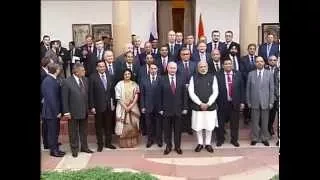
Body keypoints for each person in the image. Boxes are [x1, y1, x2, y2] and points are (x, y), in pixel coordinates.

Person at [61, 63, 94, 157]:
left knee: (84, 131)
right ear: (76, 71)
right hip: (73, 112)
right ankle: (74, 149)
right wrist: (66, 112)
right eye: (82, 70)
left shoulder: (85, 80)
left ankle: (84, 147)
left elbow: (87, 95)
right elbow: (64, 98)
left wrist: (90, 107)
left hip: (84, 111)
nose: (84, 71)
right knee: (73, 132)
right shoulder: (67, 82)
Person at [188, 61, 218, 153]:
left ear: (207, 67)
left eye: (204, 66)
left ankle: (208, 144)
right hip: (198, 107)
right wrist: (199, 103)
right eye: (201, 67)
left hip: (210, 106)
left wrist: (208, 103)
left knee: (209, 126)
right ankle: (200, 143)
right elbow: (191, 91)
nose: (203, 68)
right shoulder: (193, 77)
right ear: (198, 68)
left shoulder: (213, 77)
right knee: (199, 126)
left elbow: (215, 91)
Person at [159, 62, 188, 155]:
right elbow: (158, 95)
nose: (172, 70)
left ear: (176, 69)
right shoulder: (161, 79)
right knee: (167, 130)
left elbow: (185, 95)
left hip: (178, 109)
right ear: (167, 68)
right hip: (166, 109)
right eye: (171, 68)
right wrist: (160, 108)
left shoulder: (181, 78)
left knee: (178, 130)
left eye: (174, 68)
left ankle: (177, 146)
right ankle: (168, 146)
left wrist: (185, 107)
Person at [89, 60, 117, 152]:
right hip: (98, 106)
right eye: (100, 66)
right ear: (97, 67)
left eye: (103, 66)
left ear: (105, 67)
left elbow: (112, 91)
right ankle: (100, 144)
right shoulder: (92, 77)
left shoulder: (110, 76)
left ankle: (108, 143)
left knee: (108, 126)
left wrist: (113, 103)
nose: (102, 68)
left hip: (109, 106)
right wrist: (92, 106)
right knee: (99, 127)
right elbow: (91, 93)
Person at [216, 59, 245, 147]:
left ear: (232, 65)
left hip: (235, 103)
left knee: (235, 123)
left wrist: (242, 102)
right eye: (226, 64)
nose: (228, 65)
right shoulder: (217, 75)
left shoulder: (238, 74)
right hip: (221, 103)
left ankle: (234, 140)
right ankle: (220, 139)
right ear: (222, 66)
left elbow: (242, 88)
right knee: (220, 123)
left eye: (229, 64)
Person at [246, 57, 274, 146]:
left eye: (261, 61)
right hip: (254, 102)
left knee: (265, 122)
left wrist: (271, 101)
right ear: (255, 63)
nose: (259, 63)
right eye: (257, 61)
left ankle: (264, 138)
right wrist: (248, 101)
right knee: (254, 121)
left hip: (266, 102)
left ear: (264, 63)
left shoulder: (269, 74)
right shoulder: (251, 74)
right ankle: (255, 138)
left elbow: (271, 89)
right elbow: (248, 89)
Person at [41, 63, 65, 157]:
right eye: (59, 69)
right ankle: (54, 151)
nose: (60, 70)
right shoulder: (49, 81)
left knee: (54, 131)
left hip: (52, 111)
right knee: (52, 131)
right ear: (56, 70)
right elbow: (51, 99)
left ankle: (54, 146)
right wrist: (57, 112)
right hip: (51, 112)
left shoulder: (51, 79)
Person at [114, 69, 141, 148]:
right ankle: (123, 144)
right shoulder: (119, 84)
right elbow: (118, 98)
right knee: (122, 125)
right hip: (122, 107)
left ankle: (133, 143)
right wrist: (125, 107)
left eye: (128, 74)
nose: (127, 75)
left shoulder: (135, 84)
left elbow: (136, 96)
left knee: (133, 125)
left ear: (131, 75)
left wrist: (130, 106)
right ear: (123, 75)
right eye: (125, 74)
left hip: (133, 108)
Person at [140, 64, 162, 147]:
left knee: (158, 124)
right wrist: (142, 106)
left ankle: (159, 140)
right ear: (149, 70)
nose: (153, 70)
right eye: (151, 68)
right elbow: (142, 94)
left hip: (158, 106)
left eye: (155, 68)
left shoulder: (161, 79)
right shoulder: (143, 79)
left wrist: (162, 107)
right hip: (148, 106)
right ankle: (150, 140)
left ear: (157, 69)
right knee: (149, 125)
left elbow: (163, 94)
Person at [266, 55, 280, 136]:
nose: (272, 61)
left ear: (276, 61)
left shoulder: (278, 70)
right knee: (264, 113)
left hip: (275, 96)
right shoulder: (264, 69)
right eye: (271, 60)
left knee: (272, 114)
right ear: (268, 61)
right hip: (265, 95)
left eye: (274, 60)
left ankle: (270, 127)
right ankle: (264, 128)